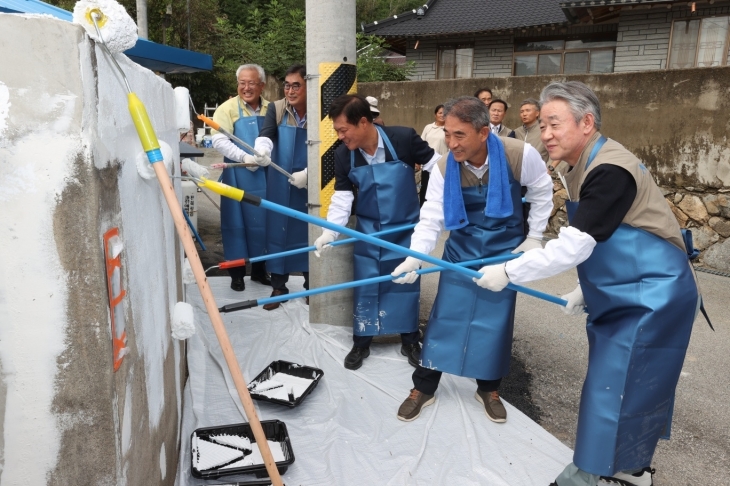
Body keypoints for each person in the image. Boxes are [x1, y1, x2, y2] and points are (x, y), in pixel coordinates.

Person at [474, 81, 699, 486]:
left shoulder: (610, 169)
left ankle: (585, 475)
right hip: (625, 288)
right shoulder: (579, 164)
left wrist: (509, 272)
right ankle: (632, 468)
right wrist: (586, 288)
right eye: (542, 125)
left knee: (613, 388)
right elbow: (607, 236)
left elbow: (576, 245)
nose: (546, 134)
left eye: (554, 124)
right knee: (632, 386)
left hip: (656, 293)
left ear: (587, 122)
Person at [392, 96, 553, 424]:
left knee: (495, 323)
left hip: (504, 254)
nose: (450, 143)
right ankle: (423, 386)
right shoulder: (442, 166)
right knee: (444, 318)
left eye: (459, 135)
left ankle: (489, 388)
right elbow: (432, 215)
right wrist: (416, 257)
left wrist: (534, 237)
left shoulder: (518, 154)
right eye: (447, 134)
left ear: (483, 132)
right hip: (460, 253)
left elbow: (541, 192)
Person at [313, 94, 440, 371]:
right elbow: (343, 197)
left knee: (405, 284)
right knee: (366, 284)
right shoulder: (344, 154)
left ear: (363, 122)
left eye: (343, 130)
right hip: (369, 232)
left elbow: (438, 166)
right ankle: (362, 340)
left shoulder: (403, 139)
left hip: (406, 231)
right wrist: (329, 233)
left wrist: (437, 203)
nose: (340, 136)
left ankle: (409, 339)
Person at [254, 64, 309, 310]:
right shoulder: (277, 109)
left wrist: (310, 174)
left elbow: (332, 148)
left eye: (296, 85)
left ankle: (312, 287)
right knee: (278, 230)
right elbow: (266, 134)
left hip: (311, 182)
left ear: (309, 86)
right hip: (280, 180)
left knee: (311, 230)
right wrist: (263, 149)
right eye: (287, 85)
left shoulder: (322, 111)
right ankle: (279, 286)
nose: (290, 90)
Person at [211, 64, 271, 291]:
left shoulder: (271, 109)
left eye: (252, 83)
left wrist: (264, 157)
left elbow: (275, 137)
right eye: (242, 83)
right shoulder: (227, 109)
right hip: (236, 174)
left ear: (262, 85)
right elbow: (219, 141)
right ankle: (236, 274)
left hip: (265, 177)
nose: (246, 88)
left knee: (263, 224)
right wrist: (245, 157)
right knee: (235, 225)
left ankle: (259, 270)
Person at [419, 104, 448, 207]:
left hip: (442, 165)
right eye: (440, 113)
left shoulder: (448, 129)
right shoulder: (428, 127)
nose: (442, 115)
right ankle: (422, 212)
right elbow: (421, 143)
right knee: (425, 189)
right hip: (427, 164)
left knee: (439, 190)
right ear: (435, 114)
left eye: (444, 113)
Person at [514, 98, 549, 163]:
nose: (524, 114)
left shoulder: (545, 130)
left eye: (528, 110)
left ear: (537, 113)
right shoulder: (516, 132)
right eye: (522, 111)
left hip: (539, 170)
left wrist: (550, 168)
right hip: (519, 171)